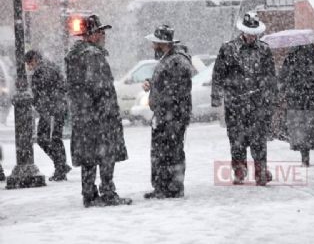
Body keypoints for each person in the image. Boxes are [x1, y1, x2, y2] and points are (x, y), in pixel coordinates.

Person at [65, 14, 132, 207]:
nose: (104, 36)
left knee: (88, 156)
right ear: (91, 34)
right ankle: (108, 192)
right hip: (100, 117)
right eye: (101, 32)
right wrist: (107, 113)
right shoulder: (93, 56)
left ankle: (89, 194)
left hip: (83, 115)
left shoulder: (74, 55)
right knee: (106, 154)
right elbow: (100, 88)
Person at [211, 11, 277, 186]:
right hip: (235, 103)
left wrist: (271, 97)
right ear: (243, 31)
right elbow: (218, 74)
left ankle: (261, 172)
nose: (252, 36)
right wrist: (216, 96)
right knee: (237, 139)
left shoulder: (264, 50)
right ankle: (239, 171)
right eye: (249, 32)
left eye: (255, 33)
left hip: (257, 103)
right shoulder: (228, 49)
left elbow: (270, 76)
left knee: (259, 139)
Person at [143, 25, 193, 199]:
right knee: (162, 152)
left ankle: (171, 188)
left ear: (162, 44)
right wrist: (152, 83)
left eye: (154, 43)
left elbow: (176, 90)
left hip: (172, 117)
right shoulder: (169, 59)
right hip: (166, 115)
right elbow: (167, 82)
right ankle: (163, 187)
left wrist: (164, 106)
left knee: (170, 152)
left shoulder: (176, 61)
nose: (152, 47)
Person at [25, 50, 71, 181]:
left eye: (29, 63)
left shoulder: (41, 71)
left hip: (51, 110)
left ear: (34, 60)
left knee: (48, 139)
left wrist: (41, 106)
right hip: (56, 108)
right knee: (54, 138)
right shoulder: (50, 66)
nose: (29, 67)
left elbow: (43, 92)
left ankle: (60, 167)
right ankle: (61, 165)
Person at [278, 44, 314, 167]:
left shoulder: (290, 59)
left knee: (300, 129)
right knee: (307, 129)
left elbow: (282, 78)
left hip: (297, 101)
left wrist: (288, 90)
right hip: (308, 101)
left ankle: (304, 156)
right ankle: (305, 155)